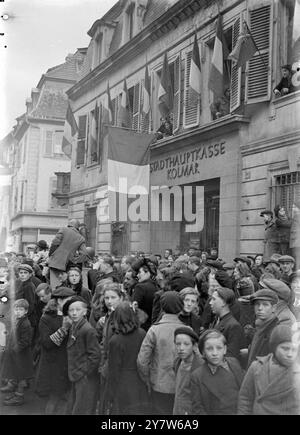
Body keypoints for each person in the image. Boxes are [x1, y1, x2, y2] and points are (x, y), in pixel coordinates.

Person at [137, 291, 185, 415]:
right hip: (180, 386)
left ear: (162, 307)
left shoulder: (154, 330)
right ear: (180, 308)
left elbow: (142, 361)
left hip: (158, 384)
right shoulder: (187, 330)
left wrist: (147, 379)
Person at [238, 325, 300, 415]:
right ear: (274, 347)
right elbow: (245, 399)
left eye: (294, 350)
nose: (290, 354)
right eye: (285, 348)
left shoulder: (297, 374)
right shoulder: (256, 367)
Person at [34, 287, 74, 414]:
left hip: (69, 364)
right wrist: (64, 329)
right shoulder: (46, 318)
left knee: (67, 401)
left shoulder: (73, 314)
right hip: (54, 365)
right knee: (54, 400)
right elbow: (47, 343)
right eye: (69, 301)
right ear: (59, 301)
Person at [106, 302, 149, 414]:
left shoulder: (115, 341)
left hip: (123, 383)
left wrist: (110, 393)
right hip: (140, 380)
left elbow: (114, 370)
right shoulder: (142, 333)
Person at [191, 329, 244, 415]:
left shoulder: (234, 363)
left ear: (225, 349)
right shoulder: (197, 376)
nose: (215, 353)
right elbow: (197, 409)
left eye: (219, 348)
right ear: (203, 352)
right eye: (209, 349)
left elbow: (245, 394)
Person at [63, 296, 100, 415]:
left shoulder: (87, 329)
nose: (74, 313)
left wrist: (83, 372)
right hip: (76, 374)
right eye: (71, 310)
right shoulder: (74, 326)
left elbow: (95, 355)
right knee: (75, 405)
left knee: (83, 408)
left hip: (84, 377)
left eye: (77, 310)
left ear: (85, 312)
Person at [1, 299, 34, 406]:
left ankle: (19, 396)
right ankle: (16, 393)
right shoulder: (18, 320)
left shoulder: (25, 323)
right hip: (17, 355)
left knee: (21, 377)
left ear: (26, 311)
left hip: (22, 356)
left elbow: (25, 341)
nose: (18, 311)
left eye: (21, 309)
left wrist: (14, 349)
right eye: (16, 309)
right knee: (17, 374)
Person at [48, 219, 87, 291]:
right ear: (77, 227)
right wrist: (74, 260)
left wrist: (50, 255)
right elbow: (84, 254)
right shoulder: (81, 238)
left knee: (54, 286)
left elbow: (55, 244)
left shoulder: (63, 230)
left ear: (69, 225)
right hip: (67, 266)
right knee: (66, 285)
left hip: (54, 263)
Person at [173, 326, 203, 415]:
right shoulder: (177, 362)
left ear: (194, 346)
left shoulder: (200, 367)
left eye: (186, 344)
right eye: (178, 344)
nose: (181, 348)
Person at [209, 287, 246, 361]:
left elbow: (231, 357)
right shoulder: (216, 320)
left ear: (224, 302)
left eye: (214, 299)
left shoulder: (233, 326)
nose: (210, 302)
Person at [246, 289, 279, 368]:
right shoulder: (259, 327)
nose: (260, 308)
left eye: (265, 304)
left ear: (274, 308)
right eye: (257, 304)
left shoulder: (275, 332)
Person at [132, 259, 158, 331]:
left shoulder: (140, 287)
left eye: (140, 272)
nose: (137, 275)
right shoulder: (156, 286)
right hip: (153, 325)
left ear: (148, 272)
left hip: (141, 325)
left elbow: (134, 307)